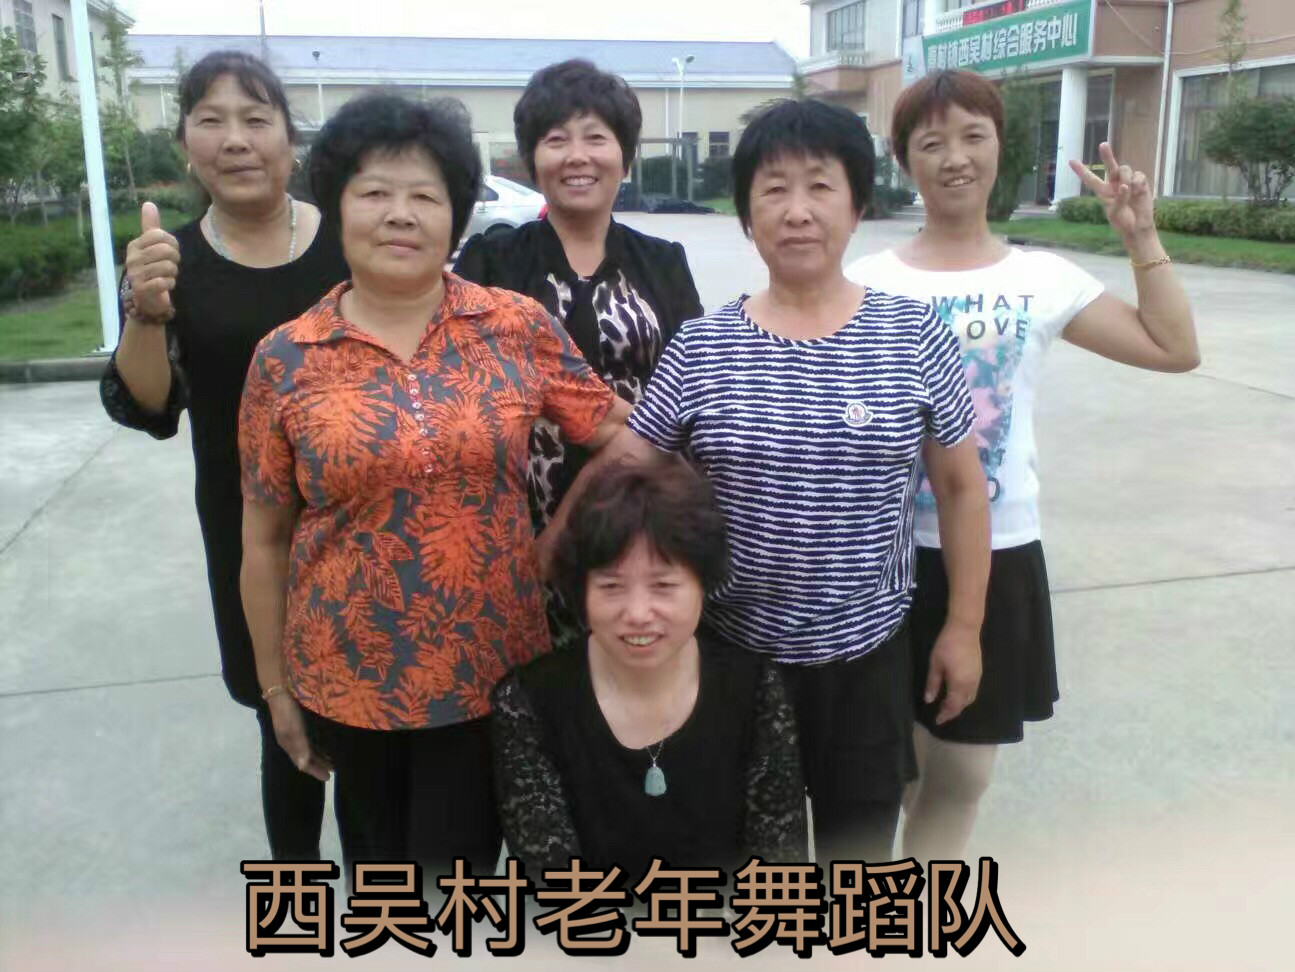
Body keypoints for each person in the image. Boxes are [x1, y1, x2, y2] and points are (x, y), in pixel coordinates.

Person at [544, 98, 991, 866]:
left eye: (820, 187)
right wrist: (548, 549)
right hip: (733, 661)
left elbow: (959, 489)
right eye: (773, 190)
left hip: (867, 653)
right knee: (757, 871)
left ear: (857, 206)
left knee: (858, 865)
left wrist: (963, 628)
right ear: (747, 217)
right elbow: (628, 462)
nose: (797, 211)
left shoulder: (915, 335)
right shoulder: (703, 346)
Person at [237, 91, 630, 877]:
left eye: (425, 195)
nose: (399, 214)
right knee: (384, 886)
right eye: (374, 193)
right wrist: (276, 690)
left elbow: (619, 434)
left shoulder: (514, 325)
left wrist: (559, 532)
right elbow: (265, 539)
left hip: (492, 670)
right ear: (337, 206)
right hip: (347, 677)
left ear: (455, 216)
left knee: (464, 881)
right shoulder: (286, 357)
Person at [846, 69, 1200, 862]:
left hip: (999, 554)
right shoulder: (865, 282)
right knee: (890, 774)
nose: (955, 158)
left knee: (962, 776)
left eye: (973, 136)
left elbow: (1174, 348)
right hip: (882, 559)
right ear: (904, 161)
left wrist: (1140, 235)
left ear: (1000, 147)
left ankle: (924, 918)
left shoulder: (1040, 278)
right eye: (931, 143)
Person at [99, 50, 348, 861]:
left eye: (255, 119)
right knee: (281, 717)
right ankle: (297, 891)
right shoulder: (168, 260)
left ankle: (383, 888)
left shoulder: (349, 240)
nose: (235, 139)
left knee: (374, 720)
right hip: (247, 530)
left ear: (289, 140)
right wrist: (146, 311)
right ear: (185, 148)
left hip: (365, 521)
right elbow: (147, 406)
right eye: (211, 121)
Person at [454, 58, 704, 651]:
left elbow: (692, 396)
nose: (577, 156)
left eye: (596, 137)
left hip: (641, 517)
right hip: (518, 525)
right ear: (531, 157)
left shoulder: (662, 262)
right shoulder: (492, 261)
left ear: (625, 156)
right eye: (556, 140)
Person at [492, 462, 807, 882]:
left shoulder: (755, 690)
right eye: (611, 587)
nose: (638, 613)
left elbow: (778, 869)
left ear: (702, 583)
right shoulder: (528, 703)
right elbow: (554, 879)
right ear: (581, 591)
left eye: (663, 586)